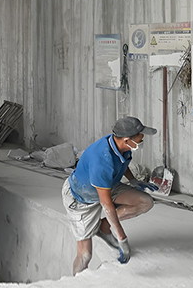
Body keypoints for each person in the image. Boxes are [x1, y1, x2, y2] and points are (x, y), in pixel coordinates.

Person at [62, 116, 157, 275]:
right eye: (140, 137)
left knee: (145, 202)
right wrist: (122, 239)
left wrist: (133, 181)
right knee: (85, 255)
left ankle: (103, 227)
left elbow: (122, 163)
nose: (142, 139)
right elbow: (107, 205)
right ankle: (76, 284)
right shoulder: (102, 160)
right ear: (127, 140)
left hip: (107, 185)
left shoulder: (120, 145)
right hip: (80, 199)